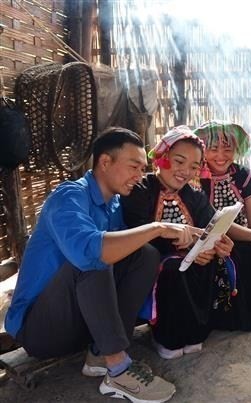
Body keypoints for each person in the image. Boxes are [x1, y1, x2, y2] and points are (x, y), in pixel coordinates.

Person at [4, 127, 198, 402]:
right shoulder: (69, 197)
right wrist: (156, 227)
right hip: (39, 331)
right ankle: (118, 369)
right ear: (105, 162)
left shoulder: (115, 205)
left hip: (81, 326)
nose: (139, 176)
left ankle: (99, 354)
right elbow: (89, 252)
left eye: (143, 168)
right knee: (93, 260)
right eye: (133, 166)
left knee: (145, 254)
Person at [121, 126, 234, 360]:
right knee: (174, 270)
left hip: (191, 255)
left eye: (193, 167)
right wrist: (181, 248)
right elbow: (138, 230)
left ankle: (195, 333)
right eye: (179, 162)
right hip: (154, 260)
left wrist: (216, 246)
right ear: (163, 157)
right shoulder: (141, 190)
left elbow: (209, 225)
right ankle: (167, 337)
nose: (185, 171)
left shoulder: (194, 194)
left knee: (211, 263)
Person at [193, 120, 251, 332]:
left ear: (236, 150)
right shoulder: (196, 177)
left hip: (245, 234)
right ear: (202, 149)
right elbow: (214, 222)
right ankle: (226, 319)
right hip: (208, 238)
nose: (221, 155)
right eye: (213, 149)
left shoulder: (243, 176)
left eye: (228, 149)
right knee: (232, 256)